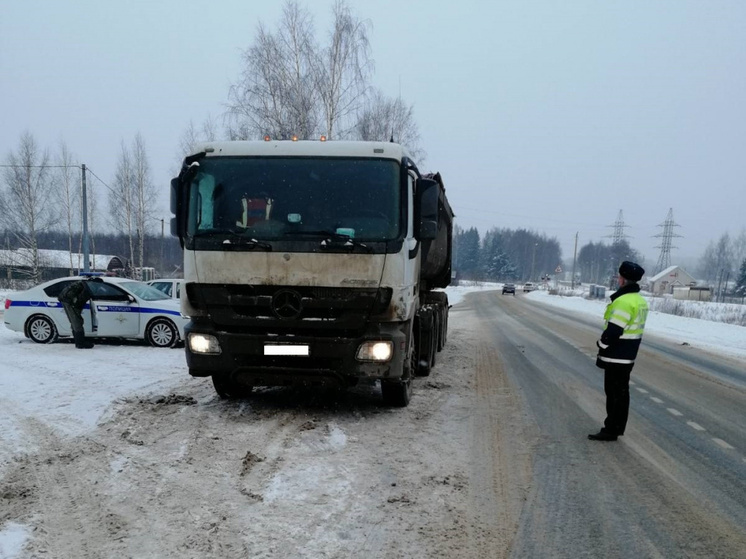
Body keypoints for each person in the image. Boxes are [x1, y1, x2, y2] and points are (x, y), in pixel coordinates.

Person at [589, 260, 648, 441]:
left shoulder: (623, 302)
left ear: (623, 280)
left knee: (614, 394)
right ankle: (616, 427)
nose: (618, 279)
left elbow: (614, 330)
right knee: (621, 394)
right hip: (628, 354)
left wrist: (602, 344)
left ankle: (611, 429)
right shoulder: (639, 300)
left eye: (619, 277)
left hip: (617, 355)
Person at [57, 277, 100, 349]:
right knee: (77, 321)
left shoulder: (85, 284)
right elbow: (79, 301)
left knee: (75, 321)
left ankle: (79, 341)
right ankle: (80, 343)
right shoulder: (87, 289)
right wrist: (76, 308)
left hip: (68, 300)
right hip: (69, 302)